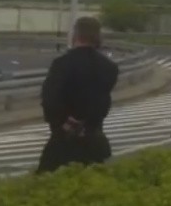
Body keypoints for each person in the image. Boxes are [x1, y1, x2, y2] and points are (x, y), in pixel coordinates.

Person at [36, 16, 119, 174]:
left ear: (76, 35)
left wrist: (65, 123)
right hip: (94, 138)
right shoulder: (109, 67)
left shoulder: (62, 64)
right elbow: (101, 101)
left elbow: (49, 99)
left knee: (45, 182)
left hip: (64, 139)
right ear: (98, 36)